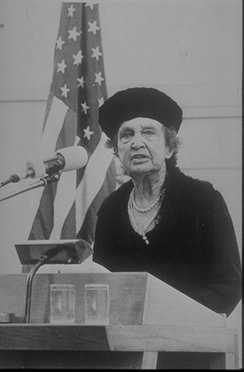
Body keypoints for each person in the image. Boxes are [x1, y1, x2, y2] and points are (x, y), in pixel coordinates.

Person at [93, 87, 241, 316]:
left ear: (169, 147)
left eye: (148, 132)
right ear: (116, 151)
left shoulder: (203, 200)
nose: (136, 143)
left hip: (189, 340)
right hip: (126, 342)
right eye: (126, 134)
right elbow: (102, 285)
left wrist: (167, 316)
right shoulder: (110, 208)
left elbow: (229, 284)